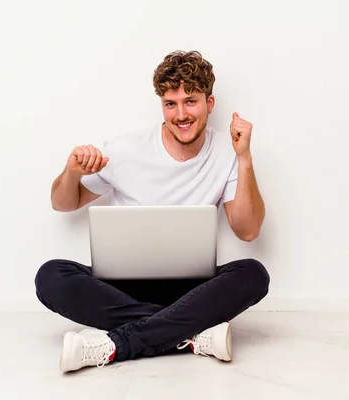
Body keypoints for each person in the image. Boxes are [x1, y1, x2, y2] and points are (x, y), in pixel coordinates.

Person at [34, 50, 270, 372]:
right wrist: (72, 172)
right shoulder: (124, 149)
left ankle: (116, 344)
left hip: (192, 290)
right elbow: (63, 202)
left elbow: (248, 230)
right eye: (170, 103)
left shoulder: (227, 153)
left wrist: (244, 158)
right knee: (51, 275)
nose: (181, 114)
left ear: (209, 104)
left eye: (191, 101)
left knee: (253, 274)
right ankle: (190, 335)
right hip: (124, 287)